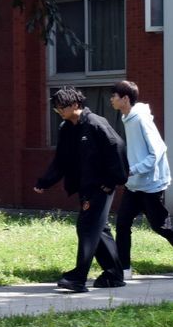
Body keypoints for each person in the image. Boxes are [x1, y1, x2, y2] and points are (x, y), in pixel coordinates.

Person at [33, 88, 127, 292]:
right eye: (57, 109)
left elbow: (117, 146)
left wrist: (112, 181)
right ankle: (114, 275)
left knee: (87, 228)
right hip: (84, 186)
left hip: (101, 186)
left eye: (62, 108)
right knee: (99, 229)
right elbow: (61, 159)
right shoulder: (67, 128)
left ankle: (78, 278)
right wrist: (45, 182)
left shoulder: (95, 123)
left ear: (75, 105)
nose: (59, 112)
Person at [108, 81, 173, 280]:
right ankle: (124, 268)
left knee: (160, 226)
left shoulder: (141, 119)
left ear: (125, 98)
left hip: (151, 184)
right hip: (134, 184)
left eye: (114, 96)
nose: (111, 99)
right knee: (122, 223)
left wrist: (133, 170)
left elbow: (157, 151)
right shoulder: (126, 118)